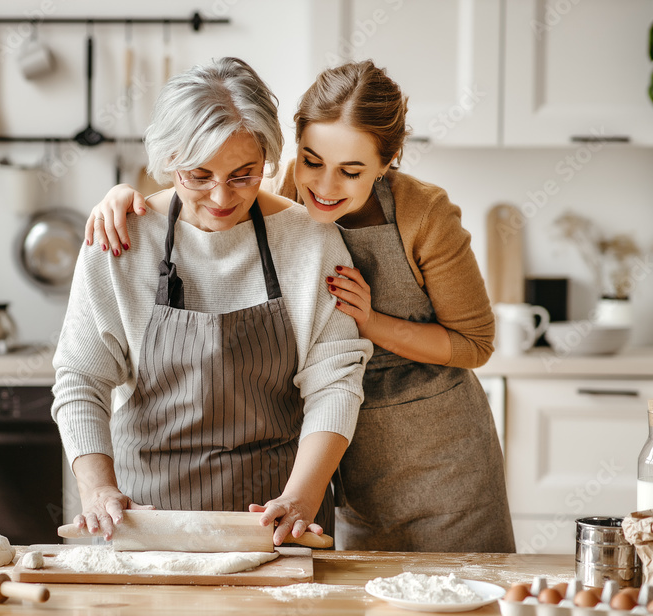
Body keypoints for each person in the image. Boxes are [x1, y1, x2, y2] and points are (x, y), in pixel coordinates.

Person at [83, 59, 516, 553]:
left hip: (438, 453)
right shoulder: (283, 196)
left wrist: (369, 322)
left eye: (351, 171)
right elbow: (211, 187)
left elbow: (474, 344)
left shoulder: (422, 214)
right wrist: (127, 199)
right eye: (312, 161)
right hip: (343, 457)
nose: (325, 187)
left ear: (389, 160)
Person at [52, 57, 372, 546]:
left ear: (267, 158)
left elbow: (336, 382)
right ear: (168, 161)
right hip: (146, 521)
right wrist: (97, 490)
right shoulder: (121, 240)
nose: (222, 197)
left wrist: (302, 498)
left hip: (276, 520)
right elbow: (81, 378)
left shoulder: (310, 242)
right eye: (198, 176)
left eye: (244, 175)